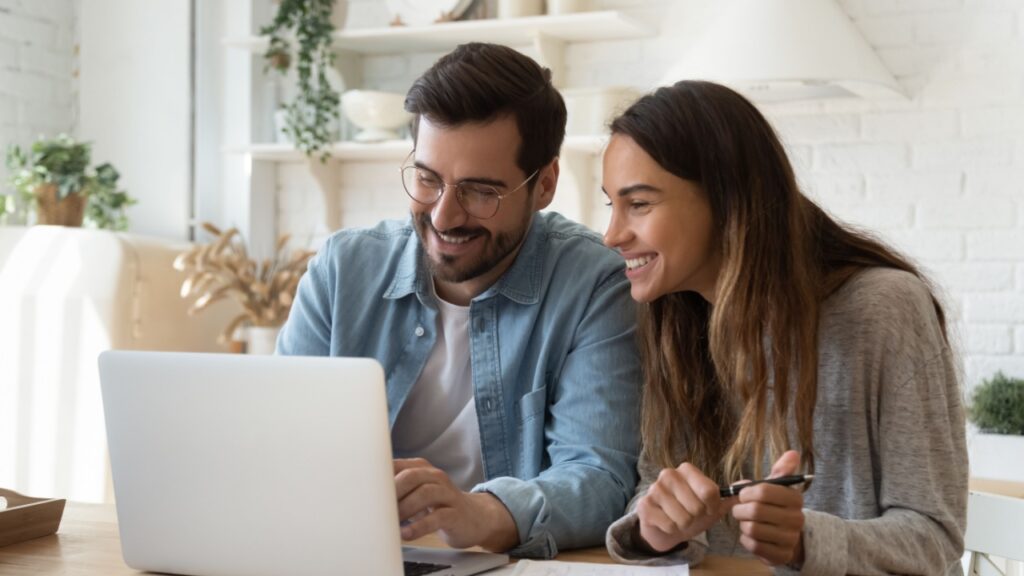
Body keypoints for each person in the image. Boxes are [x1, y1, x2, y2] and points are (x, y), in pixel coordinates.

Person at [277, 42, 641, 559]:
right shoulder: (342, 270)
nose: (444, 217)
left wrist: (480, 514)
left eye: (480, 191)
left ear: (545, 185)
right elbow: (277, 443)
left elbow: (599, 478)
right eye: (427, 179)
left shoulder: (593, 286)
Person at [600, 80, 967, 574]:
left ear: (726, 199)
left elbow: (935, 537)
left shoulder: (883, 309)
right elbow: (657, 487)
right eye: (611, 205)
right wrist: (654, 530)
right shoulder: (678, 320)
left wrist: (805, 542)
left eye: (639, 204)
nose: (612, 235)